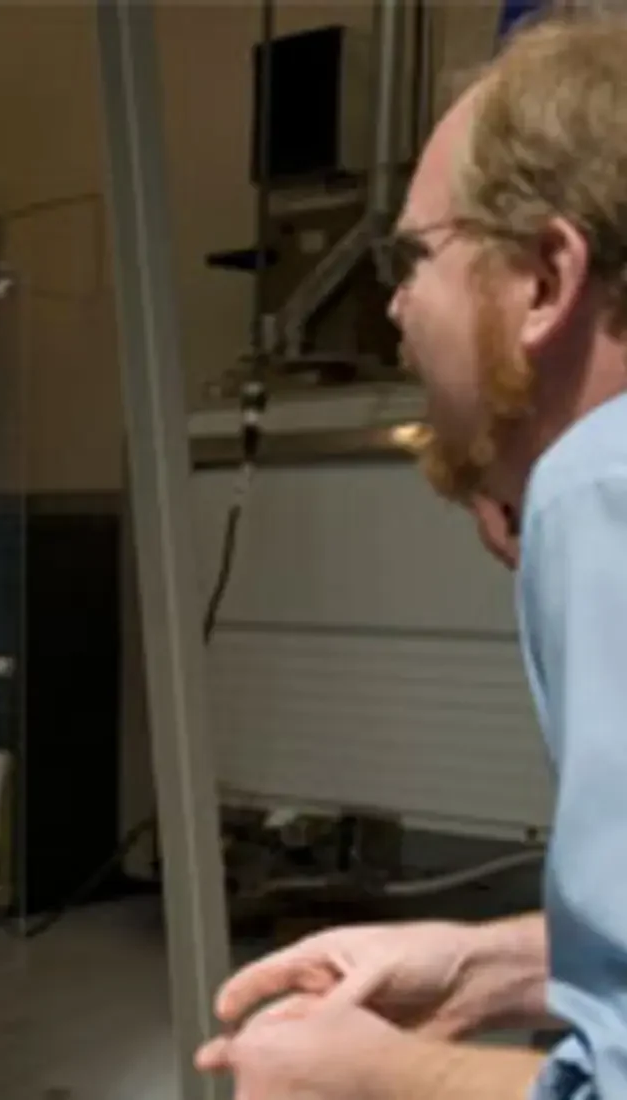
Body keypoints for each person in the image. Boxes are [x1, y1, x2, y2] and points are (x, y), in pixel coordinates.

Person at [195, 11, 627, 1100]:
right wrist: (484, 965)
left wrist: (389, 1080)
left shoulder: (600, 488)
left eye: (414, 259)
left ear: (543, 279)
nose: (393, 305)